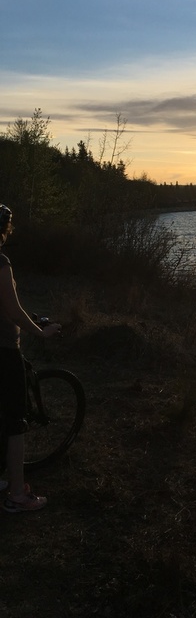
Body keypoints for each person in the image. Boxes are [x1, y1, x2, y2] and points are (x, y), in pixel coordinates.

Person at [0, 205, 61, 512]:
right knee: (15, 423)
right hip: (3, 350)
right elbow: (12, 310)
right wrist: (40, 332)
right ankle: (16, 496)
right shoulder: (0, 262)